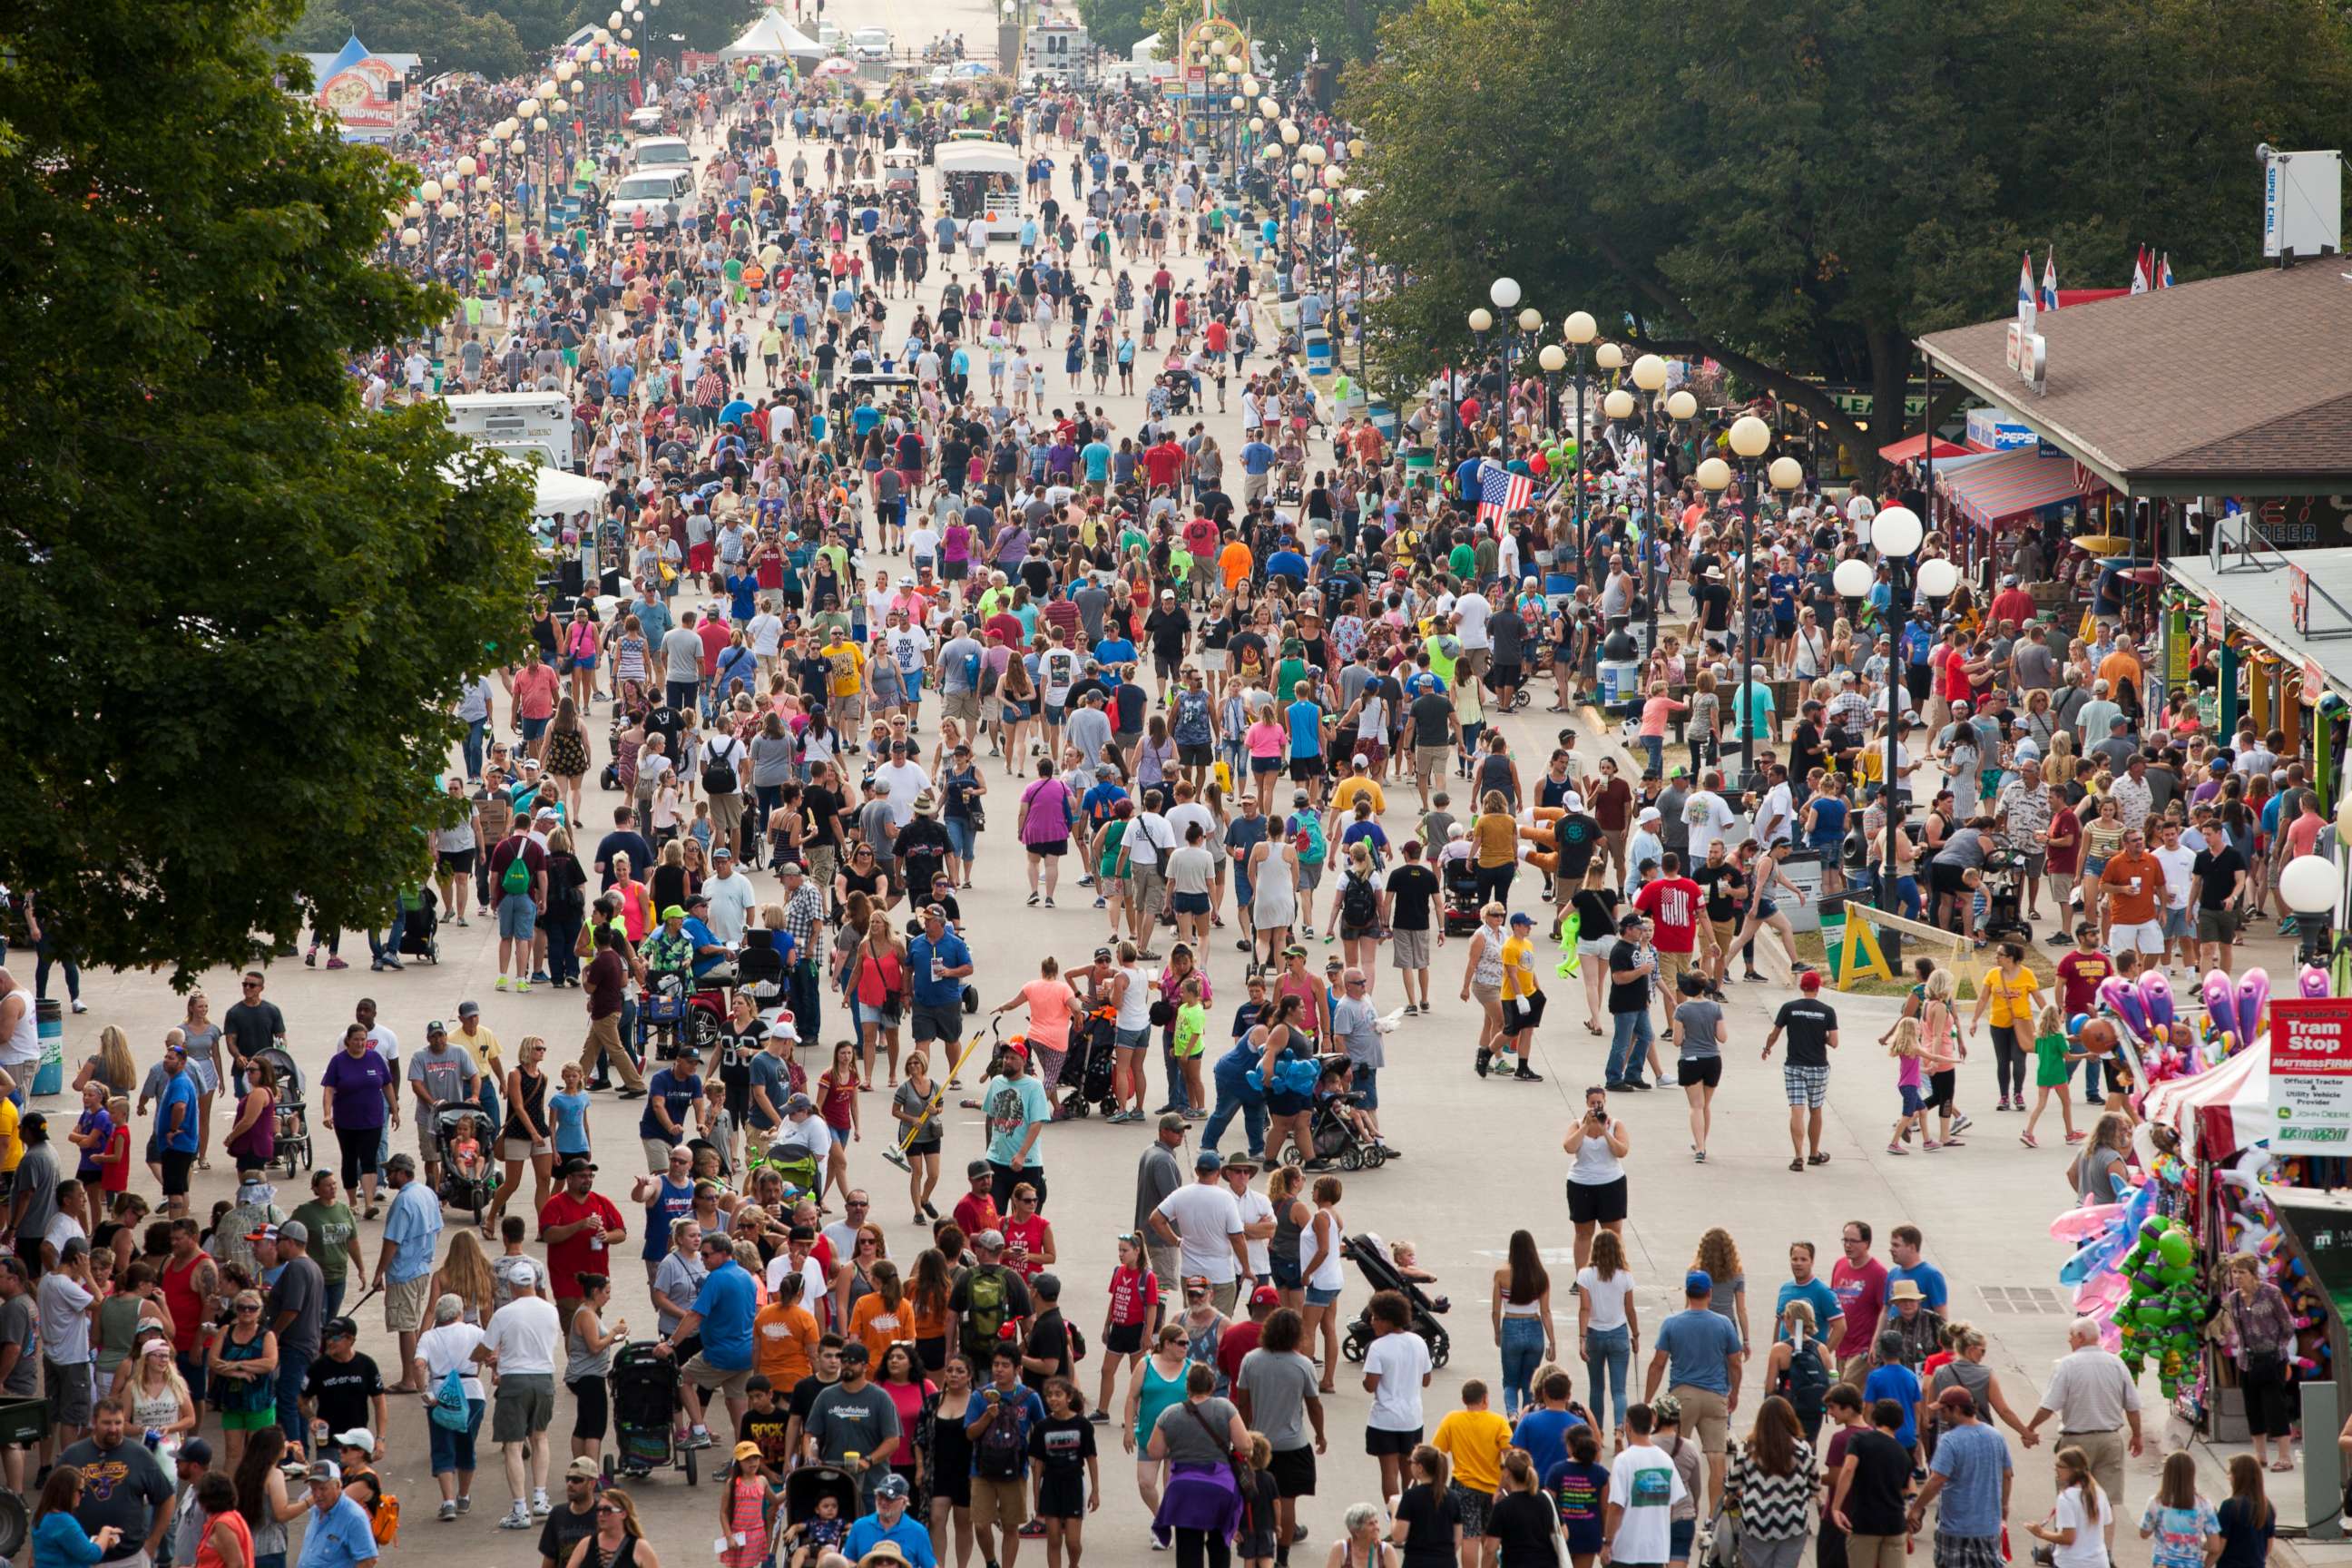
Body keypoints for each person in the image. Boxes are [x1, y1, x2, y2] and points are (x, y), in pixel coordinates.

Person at [2022, 1317, 2142, 1544]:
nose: (2069, 1340)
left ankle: (2064, 1547)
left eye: (2071, 1335)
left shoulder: (2068, 1365)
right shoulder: (2117, 1363)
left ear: (2080, 1337)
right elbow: (2133, 1406)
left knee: (2069, 1496)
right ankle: (2104, 1553)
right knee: (2105, 1501)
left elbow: (2049, 1406)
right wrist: (2137, 1435)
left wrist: (2030, 1429)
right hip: (2110, 1440)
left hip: (2077, 1443)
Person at [1642, 1271, 1743, 1510]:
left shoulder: (1672, 1323)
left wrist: (1647, 1400)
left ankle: (1672, 1509)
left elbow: (1658, 1363)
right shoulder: (1724, 1324)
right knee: (1717, 1457)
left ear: (1687, 1293)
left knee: (1675, 1451)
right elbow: (1735, 1363)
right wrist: (1734, 1392)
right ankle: (1713, 1517)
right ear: (1709, 1293)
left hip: (1682, 1396)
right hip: (1715, 1395)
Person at [478, 1270, 564, 1531]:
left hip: (514, 1381)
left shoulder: (504, 1314)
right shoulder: (550, 1311)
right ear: (535, 1284)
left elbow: (485, 1348)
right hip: (544, 1379)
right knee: (540, 1437)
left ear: (512, 1286)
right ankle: (540, 1497)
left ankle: (519, 1508)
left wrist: (481, 1357)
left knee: (513, 1446)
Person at [1144, 1362, 1249, 1568]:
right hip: (1219, 1488)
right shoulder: (1225, 1408)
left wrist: (1177, 1450)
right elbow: (1245, 1445)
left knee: (1187, 1547)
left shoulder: (1170, 1413)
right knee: (1219, 1545)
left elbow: (1154, 1451)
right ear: (1212, 1386)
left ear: (1187, 1387)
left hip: (1184, 1490)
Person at [58, 1397, 176, 1565]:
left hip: (130, 1558)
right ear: (94, 1422)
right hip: (81, 1557)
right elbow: (50, 1502)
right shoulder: (72, 1455)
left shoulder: (140, 1455)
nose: (113, 1429)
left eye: (118, 1423)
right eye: (106, 1423)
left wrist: (153, 1543)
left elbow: (167, 1498)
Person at [1906, 1388, 2013, 1568]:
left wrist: (1916, 1508)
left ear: (1956, 1409)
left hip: (1957, 1529)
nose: (1940, 1414)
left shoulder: (1950, 1440)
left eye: (1943, 1410)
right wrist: (2004, 1506)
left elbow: (1937, 1480)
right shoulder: (1996, 1436)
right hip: (1989, 1528)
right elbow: (2007, 1475)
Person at [968, 1346, 1049, 1568]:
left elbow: (1041, 1429)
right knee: (981, 1525)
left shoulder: (1029, 1398)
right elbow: (970, 1433)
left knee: (1011, 1526)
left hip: (1015, 1468)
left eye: (1005, 1365)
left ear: (1017, 1369)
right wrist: (987, 1416)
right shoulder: (979, 1396)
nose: (999, 1370)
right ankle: (991, 1561)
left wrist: (1039, 1462)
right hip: (981, 1468)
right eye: (996, 1365)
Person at [2220, 1253, 2297, 1473]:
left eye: (2241, 1272)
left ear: (2253, 1274)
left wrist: (2277, 1347)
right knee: (2253, 1408)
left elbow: (2287, 1325)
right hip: (2248, 1360)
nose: (2237, 1277)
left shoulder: (2270, 1293)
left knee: (2276, 1406)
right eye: (2234, 1272)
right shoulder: (2234, 1298)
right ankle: (2260, 1456)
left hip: (2272, 1358)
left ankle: (2284, 1457)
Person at [1760, 972, 1838, 1172]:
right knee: (1816, 1109)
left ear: (1802, 987)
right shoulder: (1827, 1011)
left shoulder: (1789, 1008)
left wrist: (1767, 1048)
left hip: (1794, 1065)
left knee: (1797, 1109)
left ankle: (1798, 1157)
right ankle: (1814, 1153)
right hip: (1818, 1067)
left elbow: (1774, 1033)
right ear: (1818, 988)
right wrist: (1821, 1036)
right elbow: (1834, 1042)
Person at [1362, 1289, 1434, 1502]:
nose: (1372, 1322)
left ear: (1387, 1320)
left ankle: (1393, 1517)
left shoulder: (1377, 1348)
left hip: (1384, 1419)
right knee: (1409, 1470)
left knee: (1389, 1472)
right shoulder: (1418, 1342)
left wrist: (1366, 1379)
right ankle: (1411, 1517)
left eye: (1375, 1318)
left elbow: (1370, 1385)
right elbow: (1426, 1380)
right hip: (1412, 1418)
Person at [1829, 1397, 1916, 1568]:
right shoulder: (1903, 1454)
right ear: (1899, 1424)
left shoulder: (1860, 1440)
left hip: (1865, 1522)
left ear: (1875, 1418)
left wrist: (1836, 1507)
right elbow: (1906, 1489)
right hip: (1895, 1525)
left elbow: (1848, 1470)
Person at [1602, 1404, 1686, 1568]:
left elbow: (1616, 1507)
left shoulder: (1624, 1460)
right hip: (1655, 1551)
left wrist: (1608, 1541)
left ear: (1628, 1426)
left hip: (1625, 1551)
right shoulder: (1666, 1460)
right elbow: (1671, 1504)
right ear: (1652, 1424)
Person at [1560, 1087, 1628, 1271]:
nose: (1596, 1107)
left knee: (1613, 1233)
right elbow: (1569, 1147)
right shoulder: (1576, 1125)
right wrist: (1586, 1127)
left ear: (1605, 1102)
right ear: (1587, 1104)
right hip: (1581, 1184)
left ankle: (1617, 1273)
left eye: (1599, 1103)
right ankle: (1581, 1276)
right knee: (1583, 1233)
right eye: (1592, 1103)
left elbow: (1622, 1151)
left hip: (1611, 1183)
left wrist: (1605, 1131)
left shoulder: (1616, 1125)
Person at [2023, 1445, 2112, 1568]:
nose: (2055, 1469)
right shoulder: (2099, 1492)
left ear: (2074, 1469)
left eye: (2060, 1466)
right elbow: (2107, 1522)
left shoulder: (2066, 1497)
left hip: (2072, 1562)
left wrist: (2040, 1532)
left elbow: (2068, 1538)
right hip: (2099, 1562)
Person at [2139, 1450, 2221, 1568]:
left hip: (2163, 1563)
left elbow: (2144, 1533)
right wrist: (2196, 1542)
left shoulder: (2156, 1502)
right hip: (2193, 1564)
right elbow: (2215, 1546)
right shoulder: (2205, 1505)